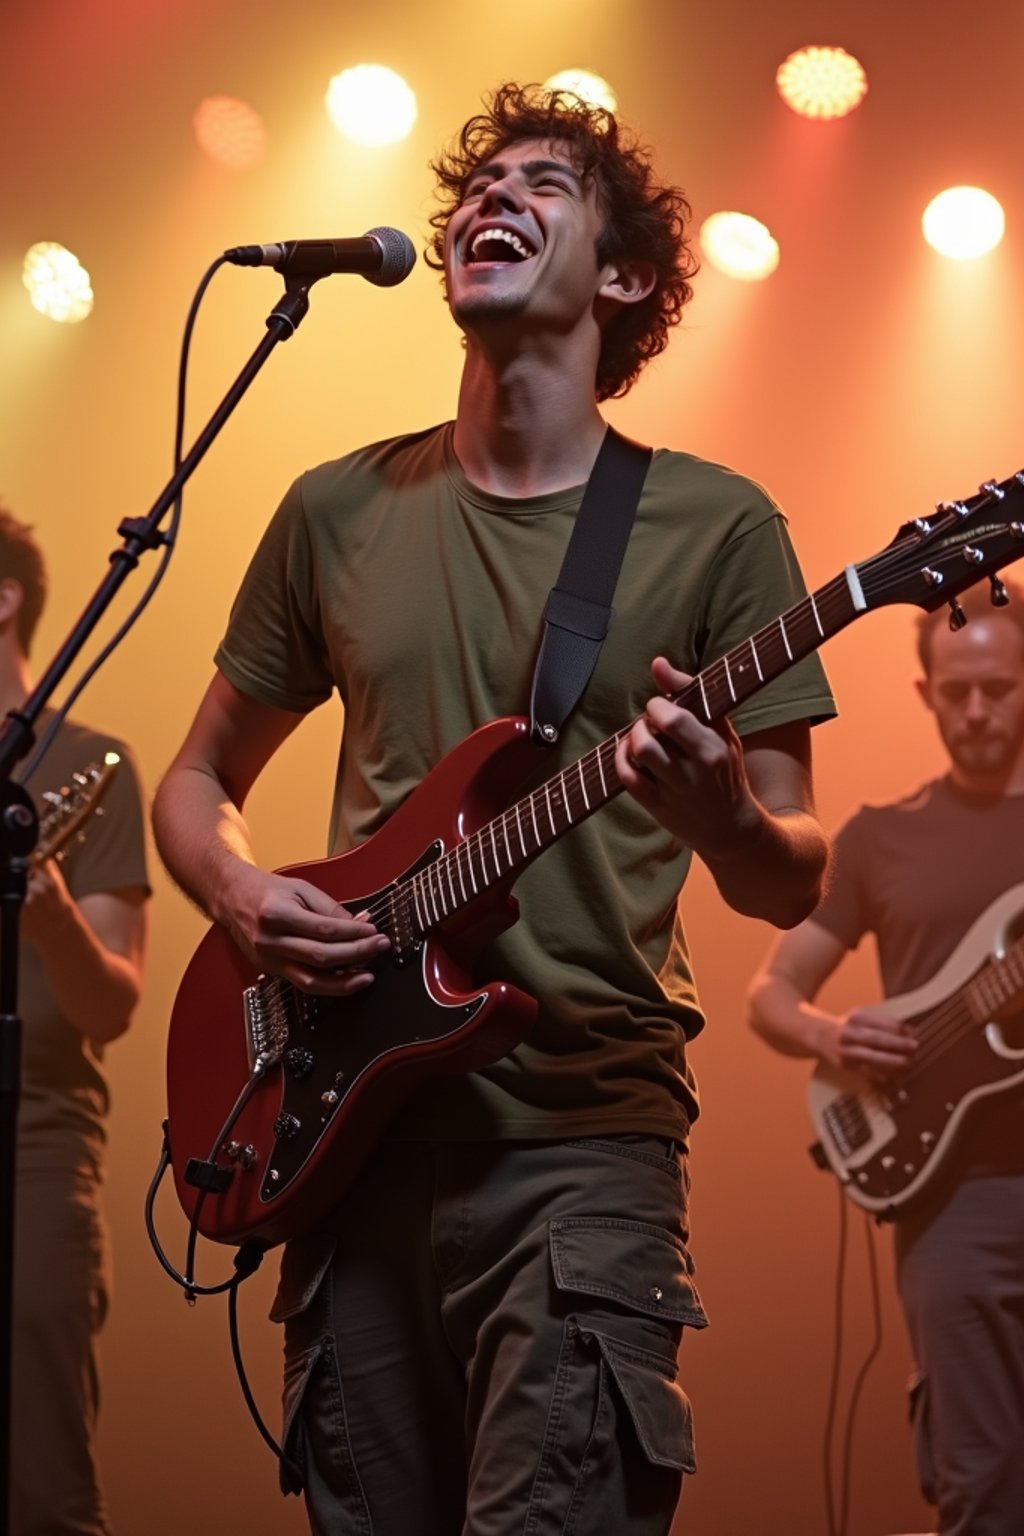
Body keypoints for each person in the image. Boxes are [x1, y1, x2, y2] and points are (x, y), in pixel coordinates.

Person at [152, 83, 834, 1536]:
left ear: (627, 276)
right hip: (342, 1129)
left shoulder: (720, 527)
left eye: (543, 184)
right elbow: (197, 781)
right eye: (479, 184)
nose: (489, 202)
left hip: (580, 1143)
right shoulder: (335, 509)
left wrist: (718, 815)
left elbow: (793, 878)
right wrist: (240, 894)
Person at [747, 578, 1024, 1536]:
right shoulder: (880, 838)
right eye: (958, 691)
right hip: (953, 1203)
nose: (978, 709)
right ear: (926, 692)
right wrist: (837, 1034)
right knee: (981, 1487)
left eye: (1001, 686)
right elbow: (769, 996)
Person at [0, 505, 150, 1535]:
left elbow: (112, 1007)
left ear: (6, 598)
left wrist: (51, 924)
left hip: (34, 1145)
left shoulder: (91, 766)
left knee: (44, 1488)